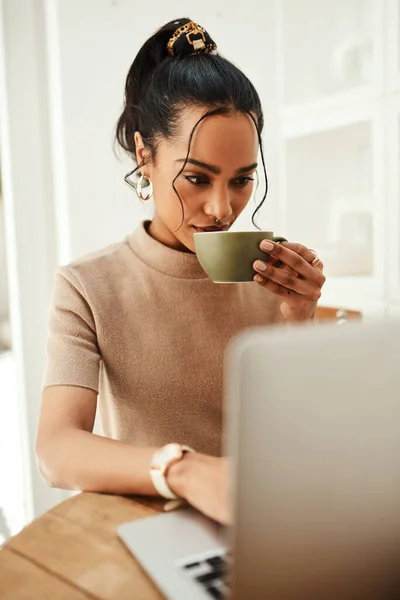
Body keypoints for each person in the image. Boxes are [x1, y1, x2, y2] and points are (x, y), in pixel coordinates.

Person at [36, 18, 325, 524]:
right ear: (145, 155)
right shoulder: (86, 287)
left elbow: (303, 439)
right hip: (154, 528)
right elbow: (56, 450)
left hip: (267, 523)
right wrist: (185, 470)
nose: (221, 208)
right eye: (197, 177)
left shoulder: (271, 279)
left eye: (241, 181)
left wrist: (300, 317)